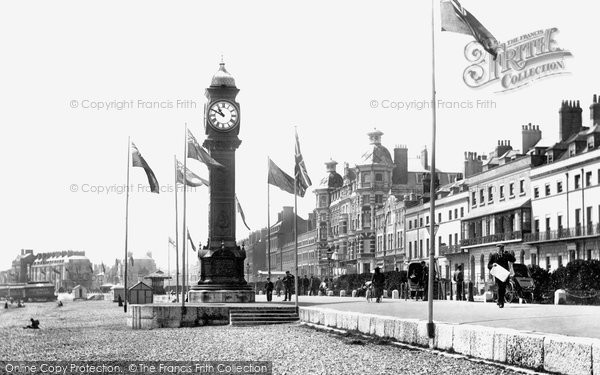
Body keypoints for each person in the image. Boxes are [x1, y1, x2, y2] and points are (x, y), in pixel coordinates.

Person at [488, 244, 516, 308]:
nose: (500, 250)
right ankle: (500, 302)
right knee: (499, 287)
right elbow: (488, 265)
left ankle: (500, 301)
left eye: (501, 249)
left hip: (504, 274)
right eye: (499, 249)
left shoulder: (506, 255)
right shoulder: (494, 256)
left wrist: (509, 254)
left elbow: (513, 260)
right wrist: (492, 265)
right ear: (497, 249)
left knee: (502, 288)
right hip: (497, 274)